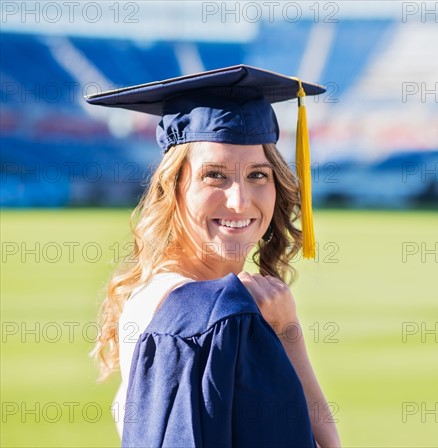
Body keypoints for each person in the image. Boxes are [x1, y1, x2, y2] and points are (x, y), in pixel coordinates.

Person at [87, 65, 341, 447]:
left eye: (258, 174)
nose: (239, 201)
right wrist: (287, 332)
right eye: (214, 176)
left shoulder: (149, 295)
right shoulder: (219, 314)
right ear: (172, 188)